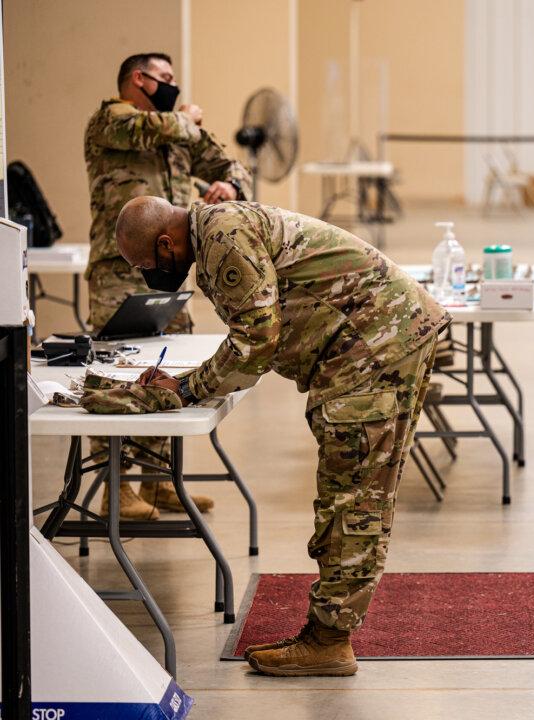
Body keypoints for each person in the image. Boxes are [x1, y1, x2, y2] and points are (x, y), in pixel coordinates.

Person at [114, 197, 450, 677]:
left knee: (352, 500)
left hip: (373, 348)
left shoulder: (223, 237)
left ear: (167, 243)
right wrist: (192, 381)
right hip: (369, 344)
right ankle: (326, 635)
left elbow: (256, 339)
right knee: (348, 495)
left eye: (147, 264)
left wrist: (188, 388)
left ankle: (329, 642)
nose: (149, 274)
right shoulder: (215, 230)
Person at [84, 52, 251, 520]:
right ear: (139, 79)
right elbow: (153, 129)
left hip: (170, 264)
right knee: (117, 371)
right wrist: (184, 120)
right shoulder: (110, 120)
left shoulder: (179, 129)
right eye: (166, 79)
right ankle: (116, 488)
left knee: (169, 369)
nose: (174, 86)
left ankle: (159, 481)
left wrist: (230, 188)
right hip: (119, 270)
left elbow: (229, 163)